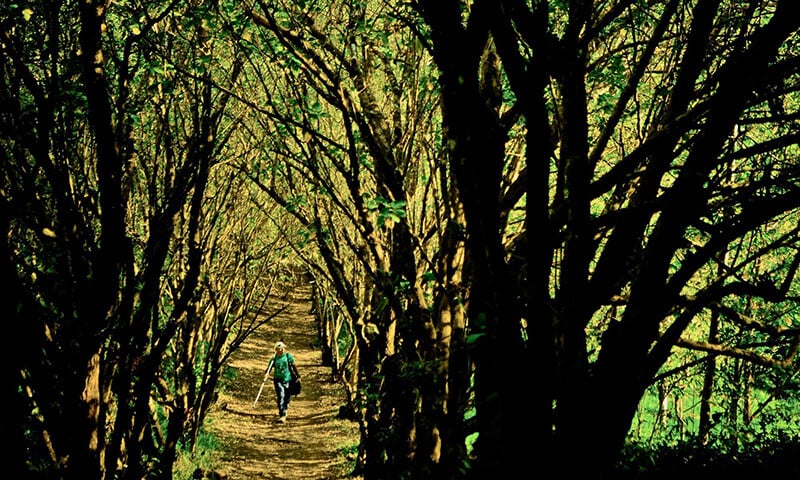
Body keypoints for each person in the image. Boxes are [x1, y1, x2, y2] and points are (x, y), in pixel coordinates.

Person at [263, 340, 300, 423]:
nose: (282, 350)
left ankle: (285, 408)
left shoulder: (288, 356)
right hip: (278, 380)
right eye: (280, 348)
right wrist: (266, 374)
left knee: (287, 396)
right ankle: (282, 415)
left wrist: (298, 376)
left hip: (288, 379)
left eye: (283, 348)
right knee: (281, 396)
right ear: (276, 350)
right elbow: (268, 369)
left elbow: (294, 366)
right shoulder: (274, 359)